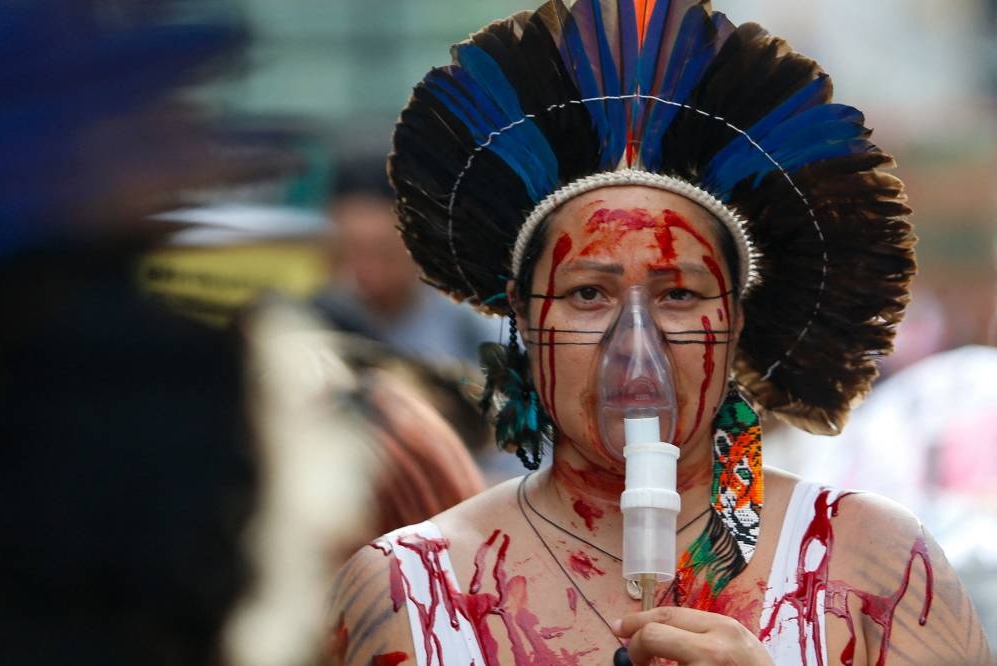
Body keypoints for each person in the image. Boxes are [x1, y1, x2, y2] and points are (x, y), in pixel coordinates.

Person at [327, 2, 993, 665]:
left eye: (680, 294)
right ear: (525, 318)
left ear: (735, 320)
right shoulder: (407, 593)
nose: (635, 348)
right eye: (589, 293)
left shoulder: (874, 566)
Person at [313, 151, 503, 366]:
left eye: (384, 254)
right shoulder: (310, 324)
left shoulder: (473, 329)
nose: (367, 272)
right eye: (348, 253)